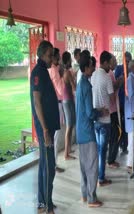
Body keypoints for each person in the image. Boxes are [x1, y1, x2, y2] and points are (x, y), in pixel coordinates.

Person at [76, 51, 108, 207]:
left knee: (83, 165)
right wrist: (100, 111)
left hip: (80, 131)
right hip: (88, 131)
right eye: (92, 66)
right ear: (86, 67)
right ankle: (91, 198)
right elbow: (89, 113)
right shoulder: (87, 86)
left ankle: (84, 194)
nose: (94, 68)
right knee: (92, 166)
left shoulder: (80, 83)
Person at [30, 40, 59, 214]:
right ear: (42, 55)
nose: (51, 59)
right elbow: (37, 102)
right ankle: (46, 206)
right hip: (44, 129)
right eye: (49, 55)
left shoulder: (44, 71)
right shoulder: (38, 73)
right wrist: (46, 130)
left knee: (45, 165)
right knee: (49, 167)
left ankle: (43, 202)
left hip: (47, 127)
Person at [91, 51, 114, 186]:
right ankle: (101, 178)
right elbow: (111, 98)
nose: (111, 65)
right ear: (104, 63)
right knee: (103, 150)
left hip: (95, 118)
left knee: (98, 149)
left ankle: (99, 175)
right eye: (110, 62)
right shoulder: (106, 77)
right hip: (105, 120)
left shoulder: (93, 75)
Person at [47, 48, 65, 173]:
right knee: (56, 136)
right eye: (57, 57)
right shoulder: (54, 70)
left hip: (52, 104)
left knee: (54, 135)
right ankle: (53, 164)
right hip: (57, 104)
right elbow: (61, 90)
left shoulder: (49, 69)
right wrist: (63, 76)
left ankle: (52, 163)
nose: (59, 59)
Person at [115, 51, 132, 154]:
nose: (127, 62)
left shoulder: (131, 71)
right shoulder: (119, 69)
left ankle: (125, 146)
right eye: (126, 60)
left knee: (126, 125)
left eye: (128, 60)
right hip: (120, 102)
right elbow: (117, 82)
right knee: (119, 125)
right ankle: (120, 144)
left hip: (128, 103)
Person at [107, 54, 122, 168]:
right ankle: (111, 160)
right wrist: (119, 81)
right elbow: (112, 88)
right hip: (111, 110)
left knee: (114, 134)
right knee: (115, 134)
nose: (116, 62)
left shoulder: (110, 73)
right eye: (114, 60)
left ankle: (111, 158)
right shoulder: (110, 74)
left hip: (112, 108)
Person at [61, 51, 76, 160]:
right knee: (69, 127)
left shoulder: (64, 71)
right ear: (67, 61)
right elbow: (74, 87)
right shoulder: (67, 73)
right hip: (68, 100)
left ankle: (69, 149)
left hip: (66, 100)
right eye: (70, 59)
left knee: (70, 126)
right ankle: (66, 154)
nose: (71, 60)